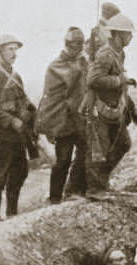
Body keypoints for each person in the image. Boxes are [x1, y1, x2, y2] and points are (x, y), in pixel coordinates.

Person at [0, 34, 36, 223]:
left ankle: (12, 213)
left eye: (15, 49)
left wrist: (33, 114)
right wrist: (11, 121)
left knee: (20, 172)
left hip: (18, 135)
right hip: (2, 134)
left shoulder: (16, 75)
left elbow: (23, 100)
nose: (14, 53)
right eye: (9, 49)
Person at [85, 13, 137, 193]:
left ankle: (101, 180)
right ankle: (94, 189)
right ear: (117, 35)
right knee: (98, 151)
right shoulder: (106, 54)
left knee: (123, 144)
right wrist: (119, 80)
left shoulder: (120, 53)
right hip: (100, 110)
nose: (131, 37)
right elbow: (93, 80)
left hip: (115, 109)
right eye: (128, 34)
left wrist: (124, 81)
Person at [39, 27, 88, 203]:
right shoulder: (55, 66)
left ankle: (75, 190)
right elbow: (51, 97)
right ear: (67, 45)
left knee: (84, 154)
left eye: (81, 46)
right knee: (63, 160)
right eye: (75, 45)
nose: (78, 49)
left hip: (81, 118)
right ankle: (54, 197)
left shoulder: (83, 62)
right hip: (63, 120)